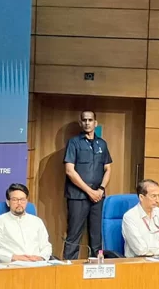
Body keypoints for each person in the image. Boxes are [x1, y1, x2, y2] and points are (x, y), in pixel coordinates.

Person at [63, 110, 112, 259]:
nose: (87, 123)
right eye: (84, 120)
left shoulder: (102, 144)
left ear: (95, 123)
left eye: (90, 120)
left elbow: (108, 168)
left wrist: (101, 189)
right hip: (77, 197)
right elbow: (69, 171)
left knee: (96, 236)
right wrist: (90, 192)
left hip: (98, 197)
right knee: (74, 235)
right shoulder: (74, 142)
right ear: (80, 123)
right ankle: (69, 268)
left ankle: (97, 267)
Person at [0, 183, 52, 262]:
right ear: (8, 202)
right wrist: (13, 257)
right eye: (15, 199)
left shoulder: (37, 221)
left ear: (26, 201)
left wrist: (41, 257)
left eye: (22, 199)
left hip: (37, 264)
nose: (19, 203)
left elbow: (46, 246)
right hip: (12, 265)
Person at [122, 179, 159, 257]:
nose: (157, 200)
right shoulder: (130, 217)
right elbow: (140, 250)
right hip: (138, 261)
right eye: (153, 196)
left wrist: (149, 246)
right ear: (141, 197)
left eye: (158, 196)